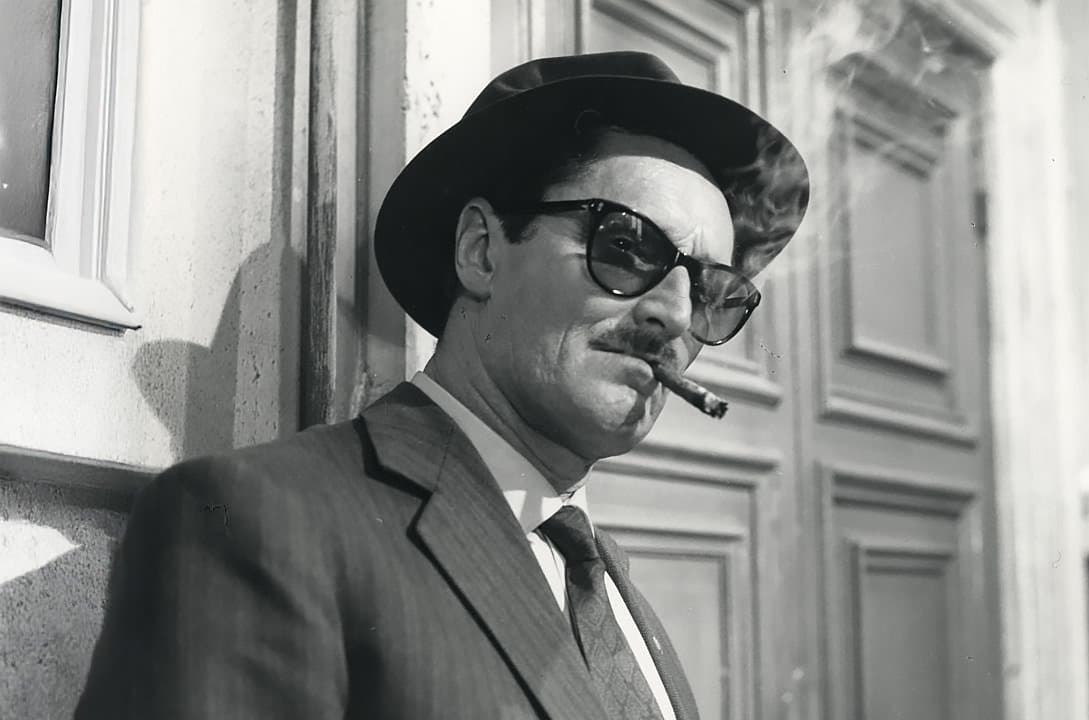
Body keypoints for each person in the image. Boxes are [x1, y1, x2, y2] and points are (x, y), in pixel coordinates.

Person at [76, 51, 808, 720]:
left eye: (711, 291)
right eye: (626, 246)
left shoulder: (610, 586)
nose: (674, 315)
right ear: (481, 251)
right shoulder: (259, 526)